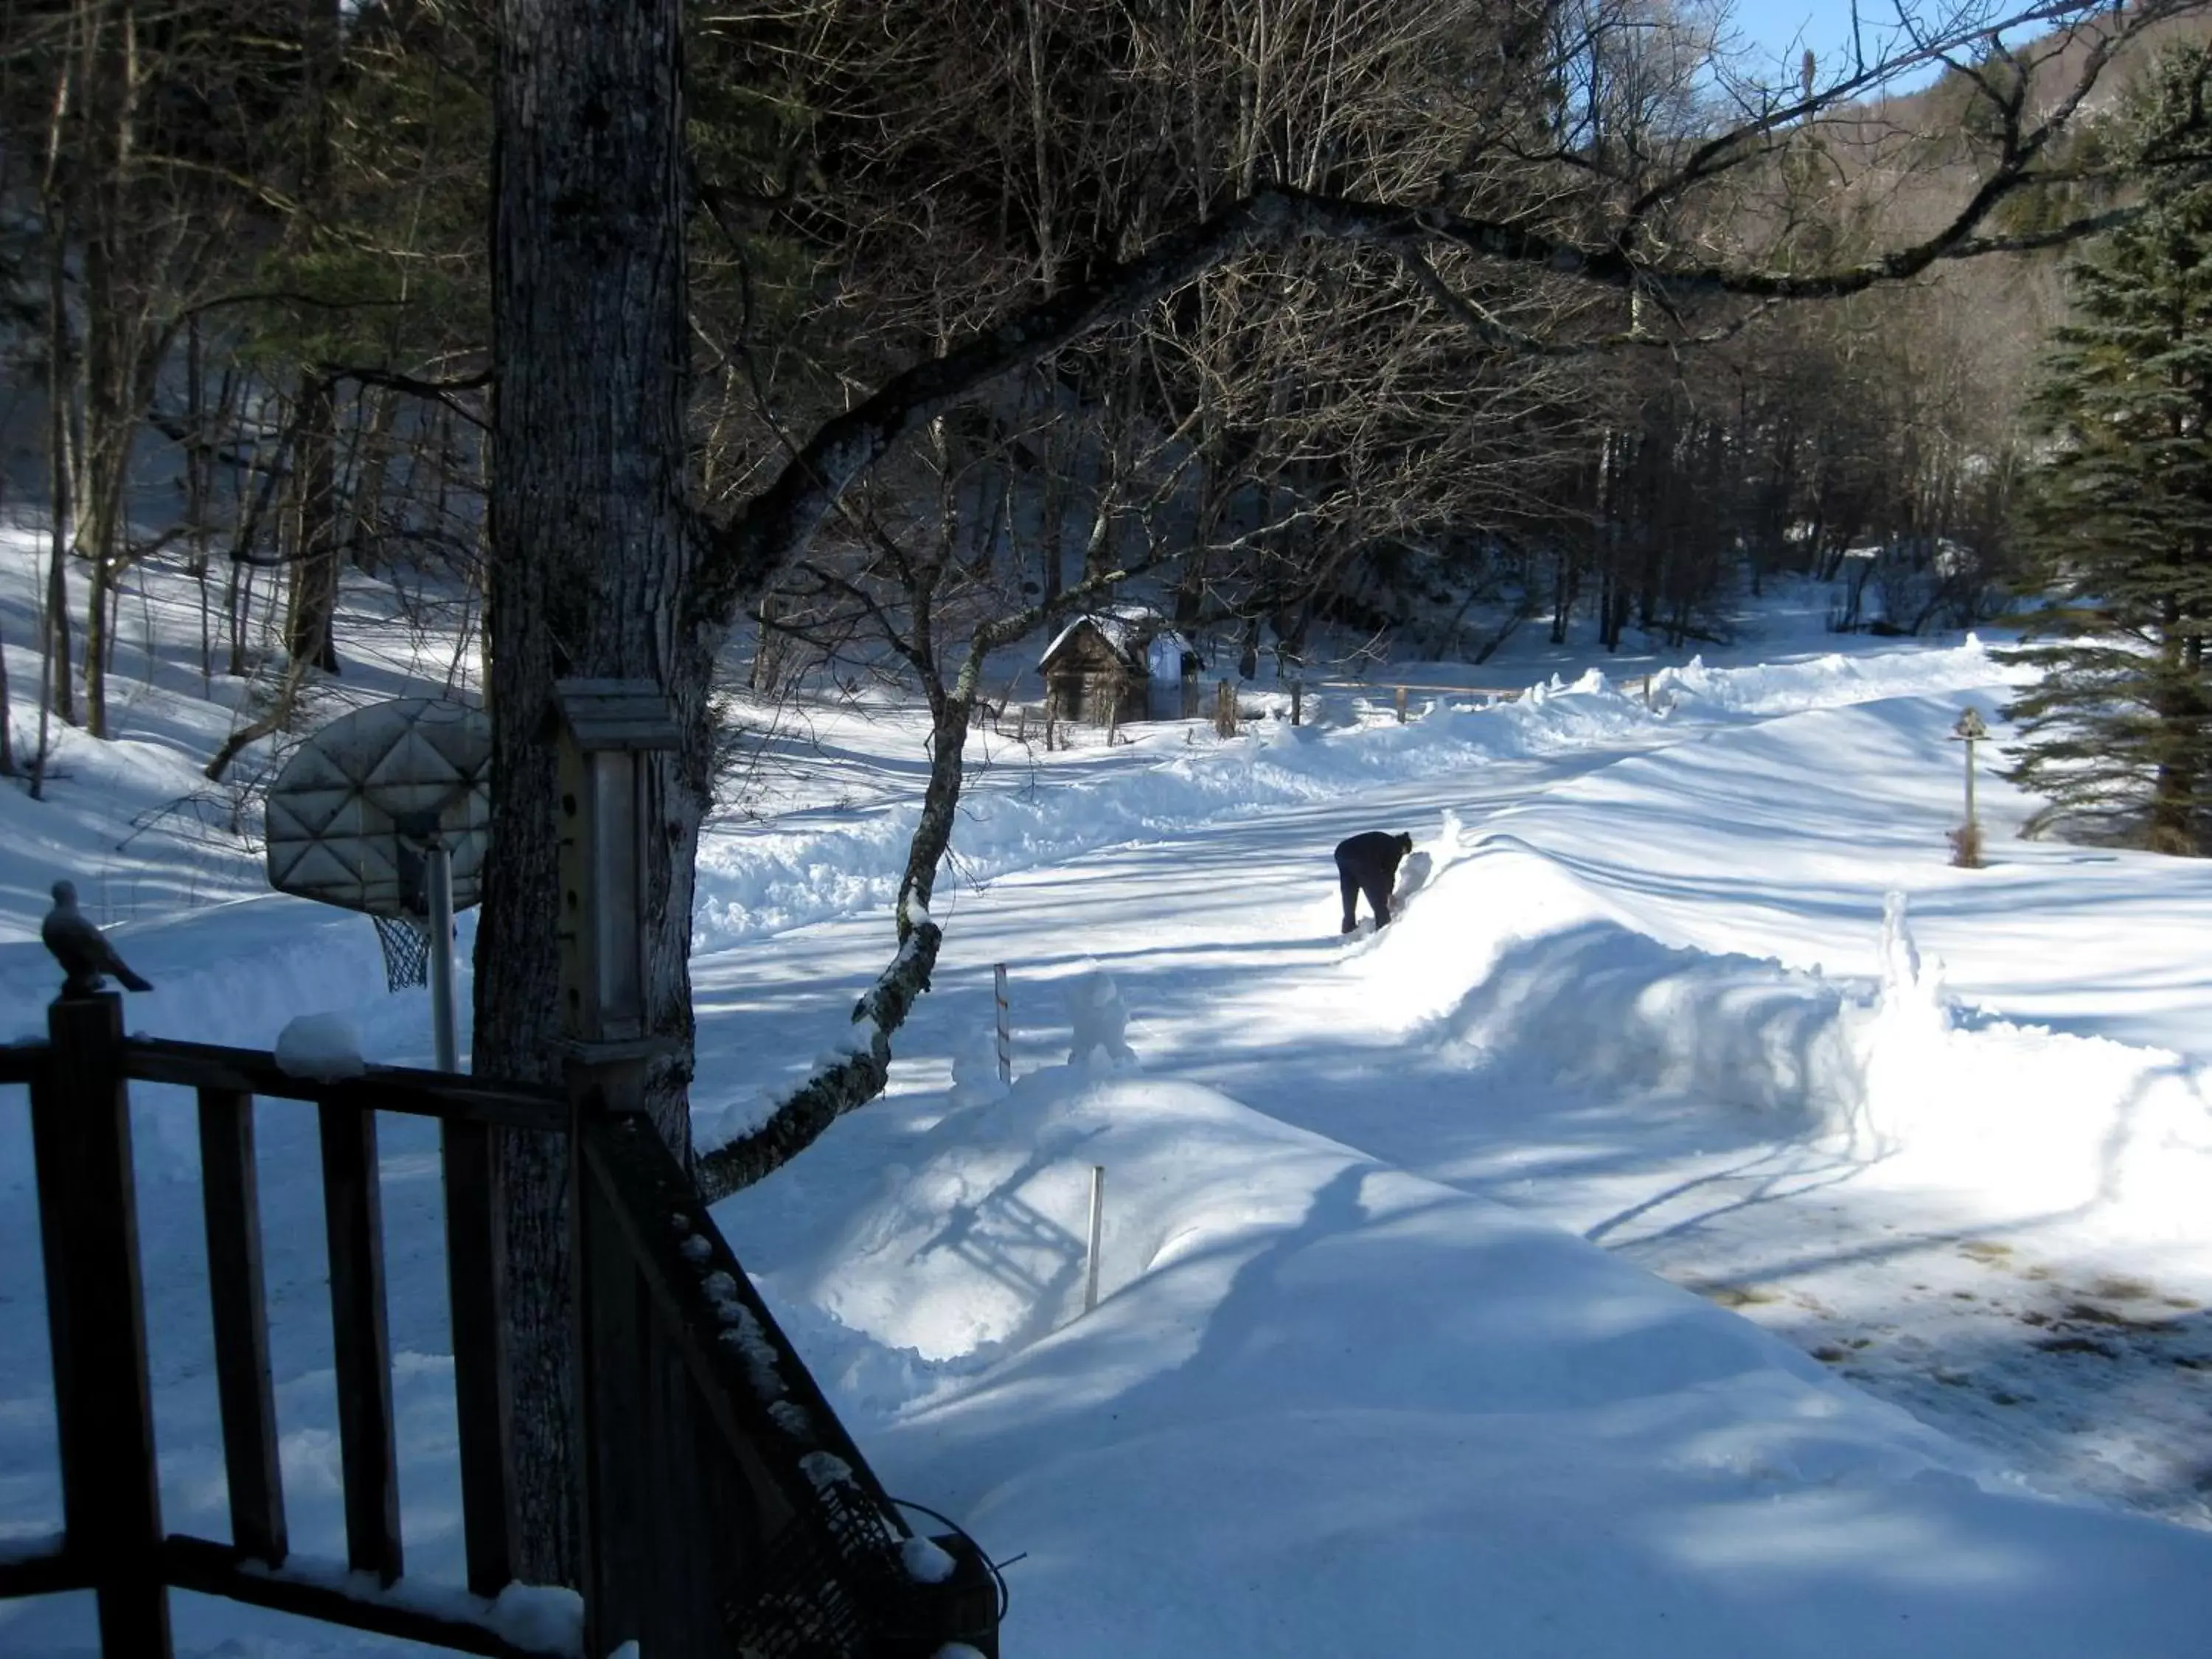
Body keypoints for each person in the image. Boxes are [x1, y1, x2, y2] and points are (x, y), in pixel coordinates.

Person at [1335, 830, 1414, 933]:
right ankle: (1384, 927)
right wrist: (1388, 894)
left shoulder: (1384, 840)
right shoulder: (1395, 848)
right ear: (1404, 848)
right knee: (1377, 893)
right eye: (1404, 853)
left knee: (1349, 890)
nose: (1402, 855)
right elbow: (1389, 873)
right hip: (1361, 858)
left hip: (1342, 851)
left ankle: (1348, 926)